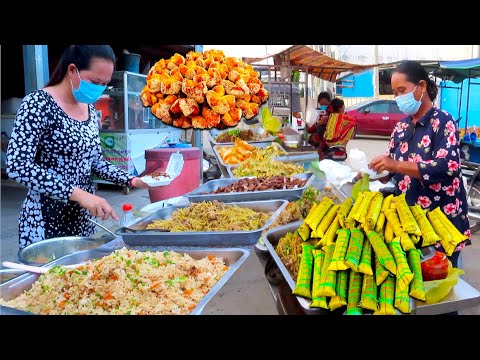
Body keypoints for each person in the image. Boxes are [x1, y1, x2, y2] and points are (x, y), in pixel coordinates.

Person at [6, 45, 150, 249]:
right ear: (72, 70)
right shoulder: (37, 104)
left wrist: (132, 179)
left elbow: (94, 161)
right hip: (45, 220)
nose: (99, 88)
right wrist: (78, 194)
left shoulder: (89, 109)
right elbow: (17, 165)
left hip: (83, 221)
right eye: (95, 81)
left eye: (105, 84)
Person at [369, 60, 470, 267]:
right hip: (409, 222)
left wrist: (395, 165)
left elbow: (447, 167)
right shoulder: (401, 126)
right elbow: (393, 166)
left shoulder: (443, 122)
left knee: (442, 282)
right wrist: (378, 170)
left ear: (421, 87)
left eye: (402, 90)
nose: (398, 98)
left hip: (440, 222)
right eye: (395, 93)